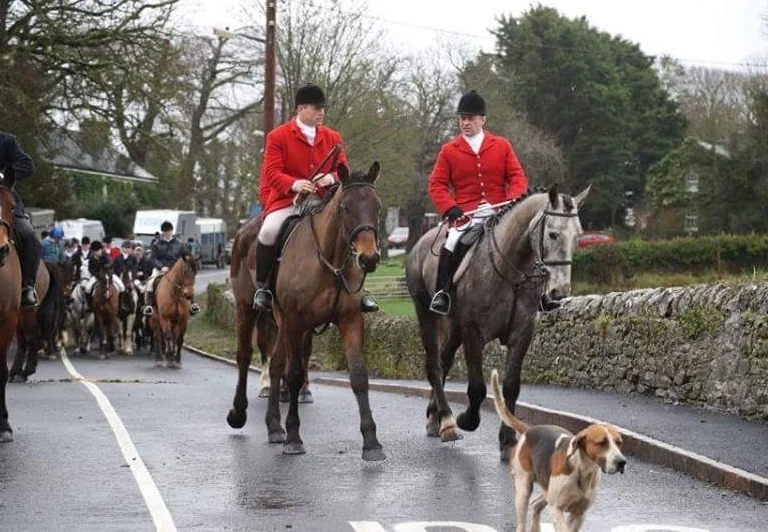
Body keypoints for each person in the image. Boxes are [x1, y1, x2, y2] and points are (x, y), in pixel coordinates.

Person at [253, 83, 379, 313]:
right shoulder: (278, 136)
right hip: (289, 201)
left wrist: (329, 179)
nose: (321, 112)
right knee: (268, 231)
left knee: (350, 230)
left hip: (324, 200)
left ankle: (359, 291)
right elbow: (271, 172)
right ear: (300, 109)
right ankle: (264, 287)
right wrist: (294, 183)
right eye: (316, 108)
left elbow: (343, 170)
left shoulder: (333, 137)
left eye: (323, 108)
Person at [427, 90, 529, 315]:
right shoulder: (449, 150)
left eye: (470, 118)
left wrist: (511, 202)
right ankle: (442, 293)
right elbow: (436, 184)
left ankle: (539, 293)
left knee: (526, 240)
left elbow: (517, 177)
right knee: (451, 242)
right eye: (462, 118)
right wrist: (450, 208)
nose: (465, 122)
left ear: (483, 120)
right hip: (466, 215)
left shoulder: (502, 145)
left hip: (501, 211)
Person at [0, 131, 41, 307]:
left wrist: (3, 176)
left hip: (2, 200)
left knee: (30, 238)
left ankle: (27, 288)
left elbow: (28, 165)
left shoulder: (7, 141)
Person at [142, 220, 200, 317]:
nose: (167, 233)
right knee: (150, 283)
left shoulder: (179, 244)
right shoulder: (156, 244)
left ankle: (193, 304)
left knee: (187, 283)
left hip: (176, 270)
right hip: (161, 269)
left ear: (172, 231)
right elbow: (152, 258)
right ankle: (149, 306)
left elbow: (187, 255)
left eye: (169, 231)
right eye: (165, 232)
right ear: (162, 232)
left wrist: (191, 259)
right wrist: (161, 267)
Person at [83, 240, 125, 308]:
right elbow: (91, 269)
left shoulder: (106, 256)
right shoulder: (91, 258)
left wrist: (107, 271)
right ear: (93, 251)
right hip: (97, 276)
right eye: (95, 251)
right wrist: (97, 275)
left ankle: (120, 306)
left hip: (109, 275)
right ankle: (89, 305)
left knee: (122, 286)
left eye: (98, 250)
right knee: (88, 288)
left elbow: (111, 264)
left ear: (101, 249)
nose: (97, 252)